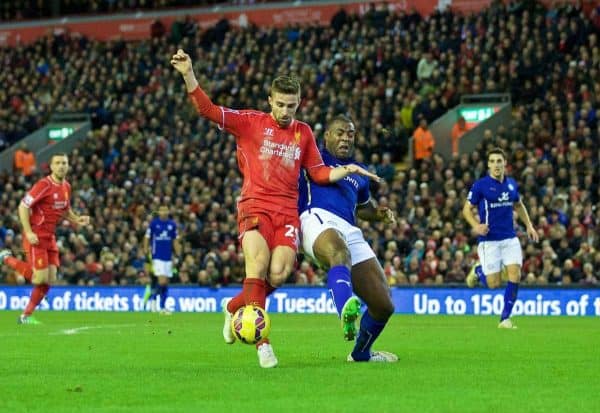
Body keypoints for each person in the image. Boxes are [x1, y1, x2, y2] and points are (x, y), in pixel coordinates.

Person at [170, 49, 379, 368]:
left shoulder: (304, 132)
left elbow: (319, 172)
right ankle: (262, 344)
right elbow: (208, 110)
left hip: (286, 213)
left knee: (278, 274)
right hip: (255, 206)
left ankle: (232, 308)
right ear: (269, 100)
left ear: (298, 104)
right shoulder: (250, 122)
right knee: (257, 264)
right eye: (279, 104)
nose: (284, 111)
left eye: (291, 106)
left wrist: (346, 170)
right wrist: (188, 74)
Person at [298, 115, 398, 362]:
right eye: (340, 133)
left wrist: (378, 214)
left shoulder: (359, 174)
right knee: (338, 253)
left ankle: (361, 353)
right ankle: (345, 309)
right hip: (317, 217)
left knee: (383, 305)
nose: (345, 138)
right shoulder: (313, 157)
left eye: (350, 134)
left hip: (349, 228)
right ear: (327, 137)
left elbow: (363, 208)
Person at [0, 153, 90, 324]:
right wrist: (28, 232)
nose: (61, 166)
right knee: (38, 279)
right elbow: (23, 206)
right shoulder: (44, 185)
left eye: (64, 163)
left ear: (68, 165)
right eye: (58, 163)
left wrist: (77, 219)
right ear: (51, 166)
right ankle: (6, 258)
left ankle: (25, 316)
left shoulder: (66, 187)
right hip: (36, 236)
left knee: (49, 279)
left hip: (50, 237)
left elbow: (65, 209)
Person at [463, 147, 539, 329]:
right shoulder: (480, 185)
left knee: (515, 274)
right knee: (493, 284)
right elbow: (466, 210)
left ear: (505, 163)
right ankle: (478, 271)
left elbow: (519, 205)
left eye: (499, 161)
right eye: (492, 161)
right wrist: (476, 226)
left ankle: (505, 319)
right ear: (488, 165)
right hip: (489, 240)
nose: (496, 165)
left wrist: (529, 225)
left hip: (509, 238)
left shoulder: (511, 184)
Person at [143, 205, 181, 314]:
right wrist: (146, 251)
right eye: (162, 210)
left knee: (165, 283)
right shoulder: (154, 224)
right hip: (157, 257)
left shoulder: (172, 224)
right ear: (159, 212)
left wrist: (178, 254)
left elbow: (175, 240)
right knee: (162, 280)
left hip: (168, 257)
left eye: (166, 210)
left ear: (168, 211)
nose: (164, 212)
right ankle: (154, 301)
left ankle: (163, 307)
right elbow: (146, 237)